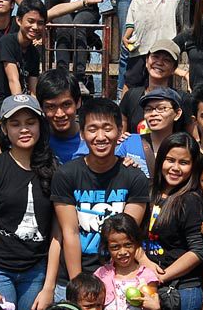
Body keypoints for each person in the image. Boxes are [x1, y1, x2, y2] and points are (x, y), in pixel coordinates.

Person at [0, 95, 59, 310]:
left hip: (36, 270)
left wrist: (49, 287)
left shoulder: (54, 168)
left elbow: (58, 233)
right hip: (0, 269)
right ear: (4, 128)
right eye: (15, 124)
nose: (24, 129)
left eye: (30, 122)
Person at [51, 98, 150, 281]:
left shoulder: (135, 177)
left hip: (119, 275)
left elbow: (127, 236)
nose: (101, 137)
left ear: (119, 131)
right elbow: (70, 233)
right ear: (82, 134)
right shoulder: (66, 175)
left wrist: (113, 281)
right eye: (92, 129)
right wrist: (78, 283)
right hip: (74, 274)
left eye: (107, 128)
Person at [144, 133, 203, 310]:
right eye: (170, 160)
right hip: (151, 287)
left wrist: (163, 275)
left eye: (184, 162)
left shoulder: (190, 199)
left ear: (193, 167)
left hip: (182, 290)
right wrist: (147, 266)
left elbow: (198, 251)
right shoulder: (150, 192)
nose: (175, 168)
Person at [121, 0, 203, 90]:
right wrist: (125, 37)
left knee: (160, 82)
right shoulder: (136, 1)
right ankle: (124, 103)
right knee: (131, 83)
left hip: (161, 50)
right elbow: (130, 25)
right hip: (140, 50)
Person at [118, 38, 188, 133]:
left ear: (174, 68)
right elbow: (120, 134)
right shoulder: (131, 96)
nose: (159, 62)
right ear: (147, 61)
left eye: (166, 60)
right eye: (155, 57)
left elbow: (193, 138)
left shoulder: (182, 99)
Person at [116, 86, 184, 179]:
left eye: (161, 108)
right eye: (148, 109)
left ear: (177, 114)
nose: (153, 113)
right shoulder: (128, 142)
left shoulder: (184, 147)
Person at [0, 0, 45, 101]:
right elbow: (13, 81)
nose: (35, 27)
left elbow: (33, 91)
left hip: (20, 100)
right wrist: (21, 107)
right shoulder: (7, 42)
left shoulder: (34, 53)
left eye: (40, 23)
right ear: (19, 21)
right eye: (31, 21)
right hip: (0, 101)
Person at [37, 68, 90, 164]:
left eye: (66, 105)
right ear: (41, 107)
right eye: (51, 107)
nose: (59, 114)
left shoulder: (95, 142)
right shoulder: (35, 142)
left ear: (78, 102)